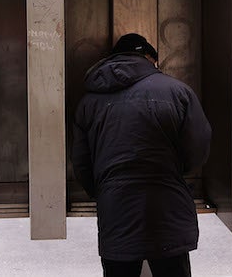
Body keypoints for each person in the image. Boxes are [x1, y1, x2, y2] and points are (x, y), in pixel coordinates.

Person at [72, 33, 212, 277]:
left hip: (115, 208)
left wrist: (104, 190)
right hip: (167, 204)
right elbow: (198, 148)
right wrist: (175, 174)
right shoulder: (178, 91)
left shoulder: (89, 101)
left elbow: (82, 162)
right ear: (150, 59)